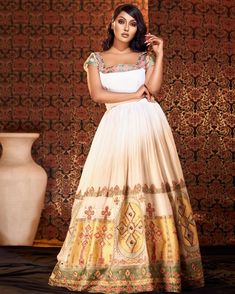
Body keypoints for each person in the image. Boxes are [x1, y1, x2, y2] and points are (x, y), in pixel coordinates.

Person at [49, 3, 204, 293]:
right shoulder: (96, 59)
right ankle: (113, 262)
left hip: (149, 124)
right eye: (121, 21)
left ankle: (157, 265)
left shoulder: (144, 57)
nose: (125, 28)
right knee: (116, 188)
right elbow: (97, 94)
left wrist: (160, 55)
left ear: (137, 29)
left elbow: (153, 91)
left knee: (148, 186)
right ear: (112, 24)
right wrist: (133, 94)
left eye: (132, 24)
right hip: (116, 126)